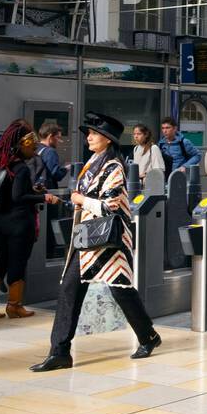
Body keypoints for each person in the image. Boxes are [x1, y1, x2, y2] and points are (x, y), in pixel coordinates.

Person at [30, 112, 161, 372]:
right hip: (90, 238)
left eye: (93, 133)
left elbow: (111, 207)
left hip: (109, 241)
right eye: (88, 133)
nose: (88, 137)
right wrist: (68, 201)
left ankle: (148, 336)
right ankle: (60, 352)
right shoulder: (93, 162)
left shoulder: (114, 167)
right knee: (71, 289)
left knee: (120, 289)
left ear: (107, 140)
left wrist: (79, 200)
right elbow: (85, 200)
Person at [0, 120, 61, 321]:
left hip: (0, 221)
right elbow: (18, 198)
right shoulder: (22, 169)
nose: (34, 150)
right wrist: (44, 197)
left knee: (0, 261)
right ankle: (14, 306)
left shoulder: (2, 165)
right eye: (32, 146)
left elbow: (10, 193)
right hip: (19, 223)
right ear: (22, 145)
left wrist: (32, 190)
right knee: (18, 262)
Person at [36, 121, 67, 188]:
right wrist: (65, 169)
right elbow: (56, 175)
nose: (59, 141)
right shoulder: (50, 152)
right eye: (58, 137)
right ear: (50, 137)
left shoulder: (35, 148)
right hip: (47, 192)